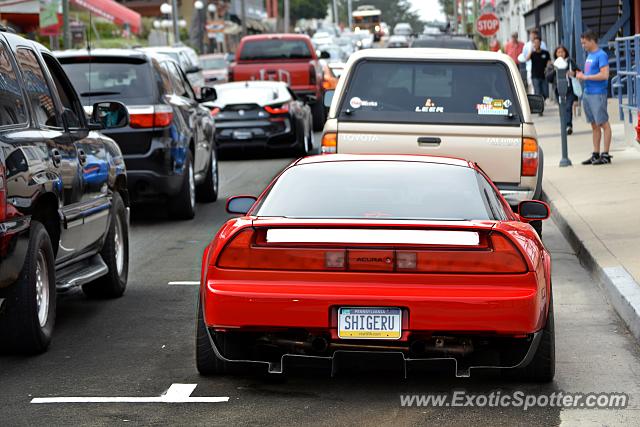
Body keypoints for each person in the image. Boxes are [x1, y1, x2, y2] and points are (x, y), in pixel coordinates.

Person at [575, 30, 612, 165]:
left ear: (591, 40)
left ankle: (606, 154)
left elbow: (605, 75)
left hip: (598, 93)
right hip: (588, 92)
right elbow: (590, 73)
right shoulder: (589, 55)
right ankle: (596, 154)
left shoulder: (601, 55)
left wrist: (586, 77)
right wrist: (580, 75)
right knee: (594, 124)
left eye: (584, 43)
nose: (583, 45)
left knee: (603, 123)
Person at [552, 45, 579, 135]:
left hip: (569, 89)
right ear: (556, 54)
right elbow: (548, 78)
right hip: (558, 90)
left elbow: (579, 71)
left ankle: (568, 125)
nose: (560, 54)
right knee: (562, 109)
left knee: (568, 107)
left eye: (562, 52)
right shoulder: (553, 64)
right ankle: (564, 125)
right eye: (558, 52)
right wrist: (555, 70)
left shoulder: (570, 62)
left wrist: (573, 73)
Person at [525, 37, 551, 114]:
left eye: (537, 42)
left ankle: (542, 102)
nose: (536, 44)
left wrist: (549, 66)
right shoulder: (533, 53)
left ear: (540, 43)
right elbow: (527, 59)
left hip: (544, 75)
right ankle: (540, 110)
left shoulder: (545, 53)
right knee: (538, 92)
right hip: (535, 76)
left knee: (545, 93)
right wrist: (531, 50)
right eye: (534, 43)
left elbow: (549, 62)